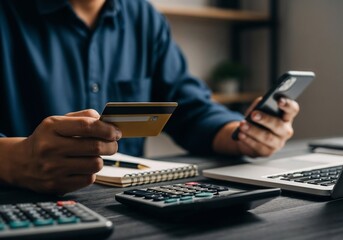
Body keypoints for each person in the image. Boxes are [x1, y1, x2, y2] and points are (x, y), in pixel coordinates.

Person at [0, 0, 299, 195]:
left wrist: (244, 135)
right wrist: (14, 159)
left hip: (125, 204)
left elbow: (190, 108)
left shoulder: (143, 17)